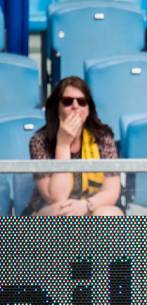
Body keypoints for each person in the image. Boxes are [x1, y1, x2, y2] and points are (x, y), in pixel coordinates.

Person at [24, 76, 122, 216]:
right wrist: (63, 144)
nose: (75, 106)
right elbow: (56, 197)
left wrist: (86, 205)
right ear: (57, 108)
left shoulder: (103, 138)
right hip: (51, 209)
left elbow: (111, 191)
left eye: (82, 102)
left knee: (107, 215)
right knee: (66, 212)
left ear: (88, 110)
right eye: (67, 101)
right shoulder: (39, 141)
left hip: (93, 204)